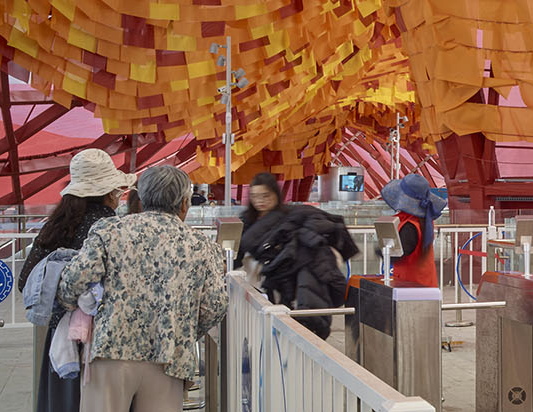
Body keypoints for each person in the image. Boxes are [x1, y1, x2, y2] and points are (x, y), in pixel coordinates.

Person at [57, 164, 227, 412]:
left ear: (142, 199)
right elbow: (215, 305)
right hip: (170, 356)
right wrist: (185, 329)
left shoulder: (109, 231)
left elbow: (72, 281)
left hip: (111, 350)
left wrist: (72, 304)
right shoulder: (201, 244)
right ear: (183, 204)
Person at [18, 148, 136, 412]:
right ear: (110, 192)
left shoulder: (56, 226)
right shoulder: (114, 227)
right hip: (108, 340)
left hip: (61, 340)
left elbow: (25, 280)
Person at [237, 172, 359, 338]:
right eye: (255, 196)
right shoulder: (247, 222)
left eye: (265, 196)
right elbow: (239, 250)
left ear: (275, 194)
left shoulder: (292, 215)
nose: (260, 201)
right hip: (265, 281)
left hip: (292, 280)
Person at [380, 173, 447, 288]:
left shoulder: (409, 226)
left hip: (410, 288)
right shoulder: (424, 221)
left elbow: (400, 254)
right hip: (425, 283)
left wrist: (381, 250)